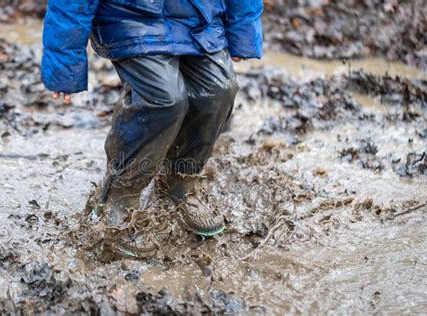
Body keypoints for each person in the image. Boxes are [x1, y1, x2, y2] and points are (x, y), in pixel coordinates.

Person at [41, 0, 263, 257]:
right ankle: (119, 195)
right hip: (130, 18)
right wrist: (64, 64)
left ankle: (180, 182)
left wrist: (242, 30)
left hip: (199, 17)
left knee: (217, 92)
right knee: (163, 99)